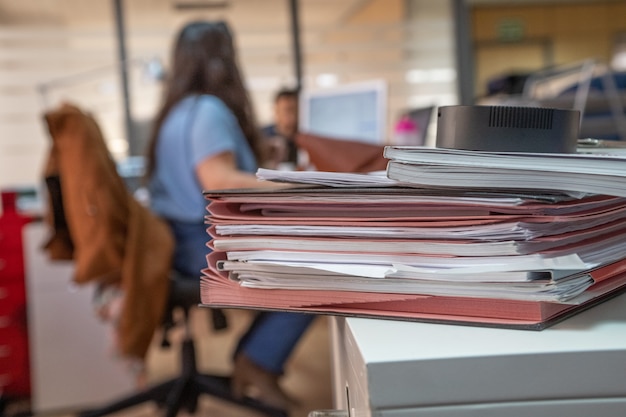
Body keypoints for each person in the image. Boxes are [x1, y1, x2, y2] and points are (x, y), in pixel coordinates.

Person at [145, 20, 314, 409]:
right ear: (222, 61)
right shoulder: (207, 109)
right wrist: (300, 186)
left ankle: (256, 358)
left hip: (182, 244)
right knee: (322, 267)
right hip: (202, 247)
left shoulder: (176, 112)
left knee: (308, 254)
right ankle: (257, 361)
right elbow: (216, 178)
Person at [261, 88, 300, 169]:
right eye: (287, 110)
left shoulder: (305, 137)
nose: (292, 115)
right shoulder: (262, 136)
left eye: (296, 110)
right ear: (276, 111)